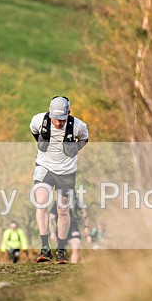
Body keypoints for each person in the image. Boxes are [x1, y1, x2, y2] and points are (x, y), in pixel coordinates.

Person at [30, 95, 89, 264]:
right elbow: (34, 131)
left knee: (63, 209)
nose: (58, 123)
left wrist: (73, 150)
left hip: (67, 172)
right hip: (44, 167)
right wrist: (44, 148)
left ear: (68, 114)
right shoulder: (38, 120)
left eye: (62, 120)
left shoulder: (78, 126)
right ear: (50, 113)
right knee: (41, 202)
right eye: (55, 120)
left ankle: (61, 250)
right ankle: (44, 248)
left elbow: (85, 139)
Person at [49, 195, 89, 263]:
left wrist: (86, 227)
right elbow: (50, 219)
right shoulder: (57, 202)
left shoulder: (76, 200)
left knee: (76, 248)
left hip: (74, 228)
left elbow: (83, 213)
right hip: (61, 230)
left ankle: (73, 268)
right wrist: (52, 233)